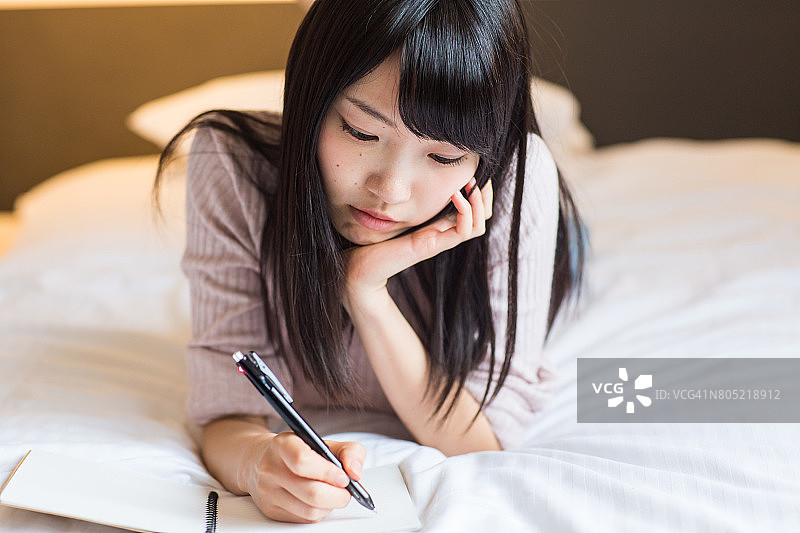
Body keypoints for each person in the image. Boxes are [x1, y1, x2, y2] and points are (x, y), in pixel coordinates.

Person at [155, 0, 583, 524]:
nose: (389, 191)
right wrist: (257, 462)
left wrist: (365, 288)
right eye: (361, 132)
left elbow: (480, 442)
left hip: (541, 242)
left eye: (445, 158)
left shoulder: (517, 179)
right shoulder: (230, 165)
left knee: (575, 255)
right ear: (311, 98)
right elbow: (227, 410)